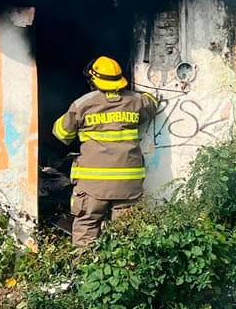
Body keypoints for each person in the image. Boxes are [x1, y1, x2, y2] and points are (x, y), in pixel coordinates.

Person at [52, 55, 158, 248]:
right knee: (125, 234)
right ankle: (124, 272)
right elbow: (152, 101)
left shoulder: (82, 104)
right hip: (127, 186)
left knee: (86, 227)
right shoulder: (136, 102)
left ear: (93, 81)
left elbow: (61, 134)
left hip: (93, 186)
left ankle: (86, 273)